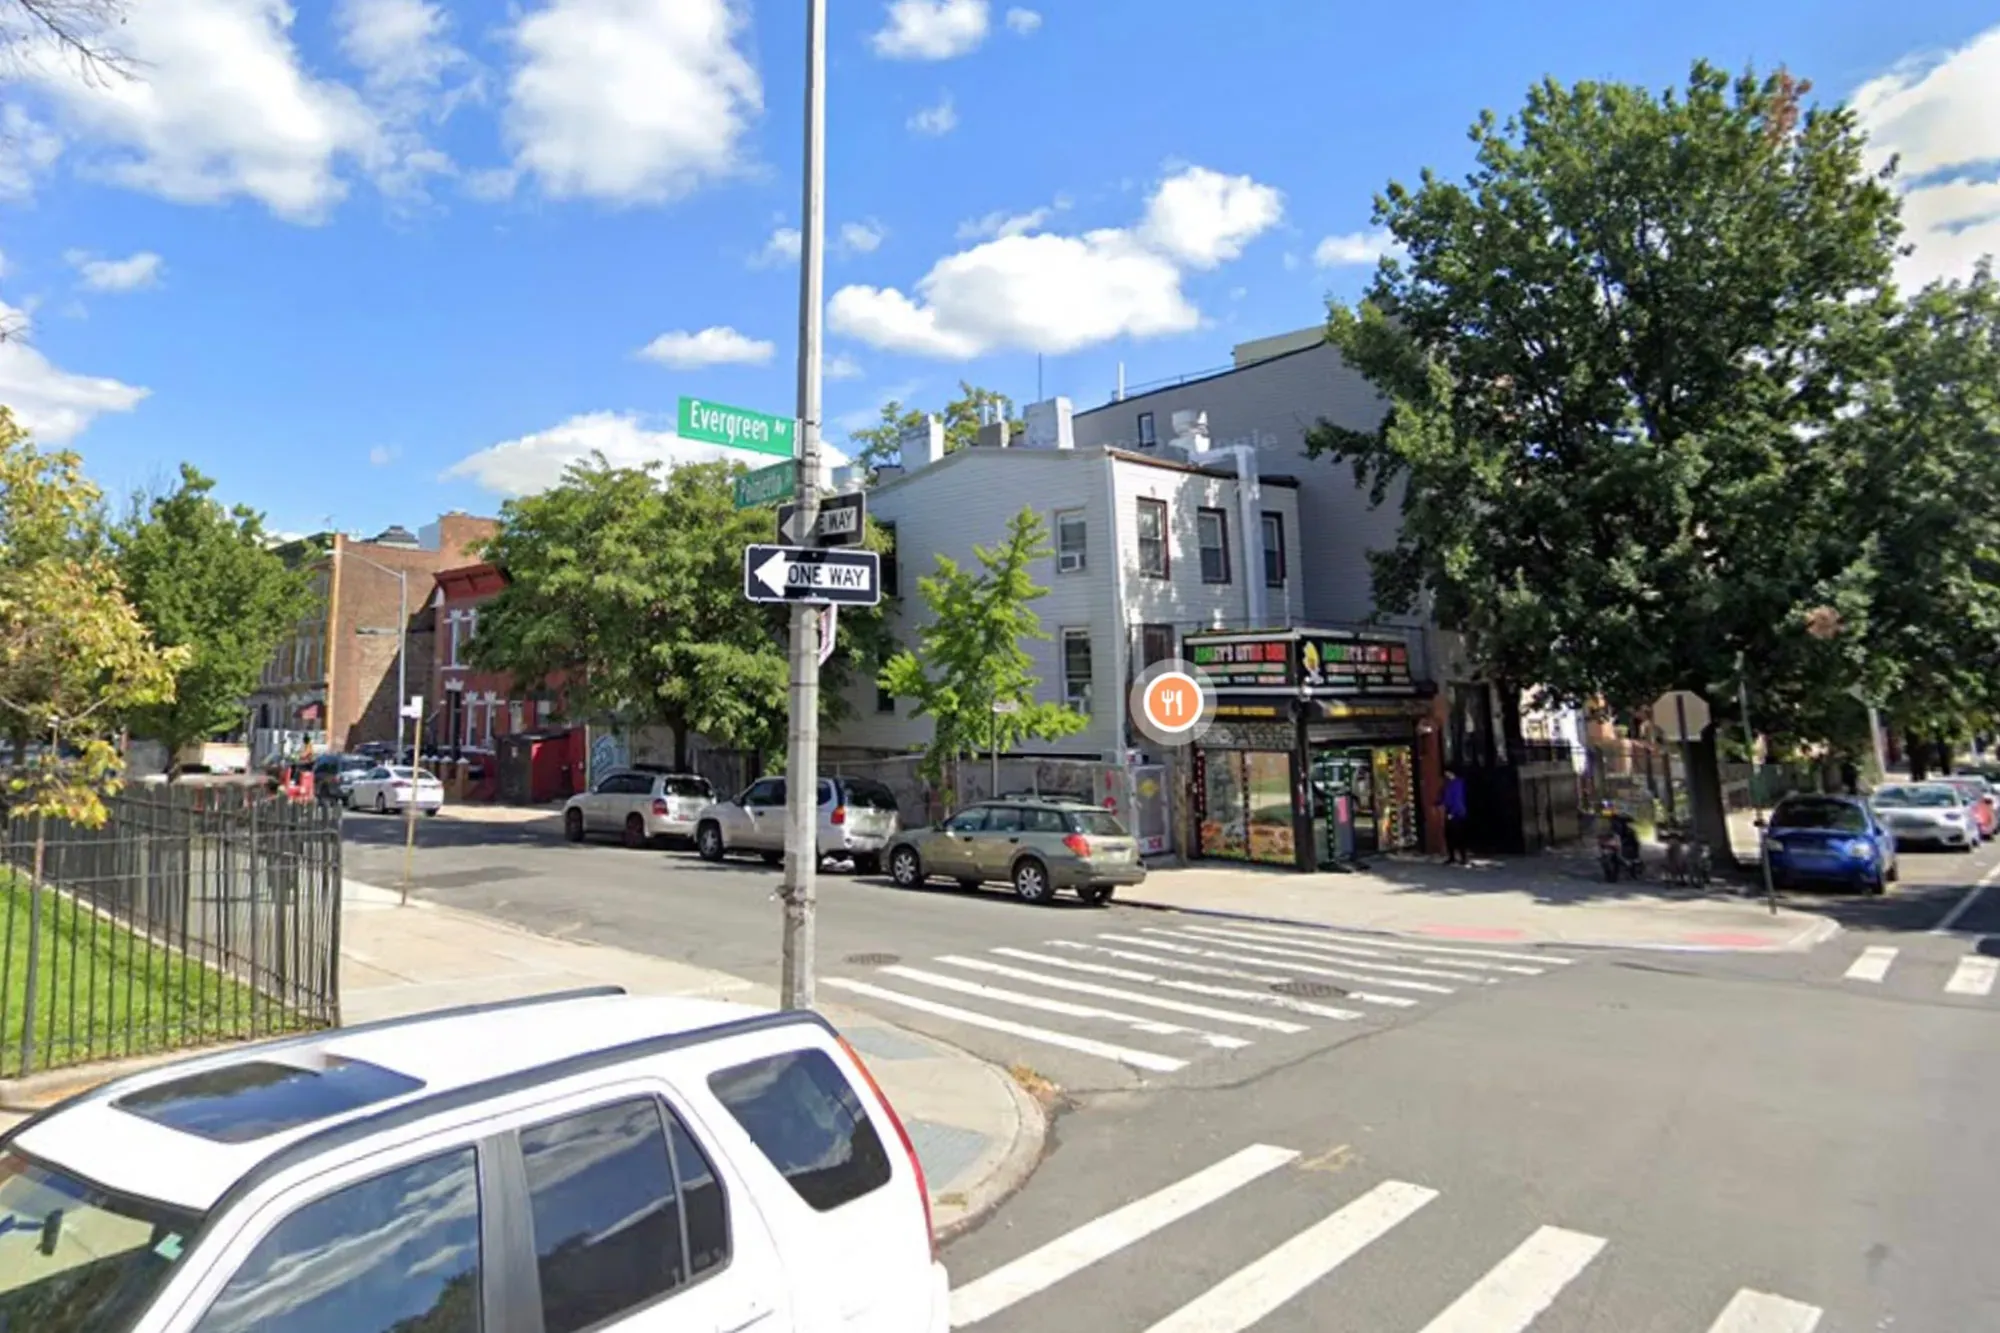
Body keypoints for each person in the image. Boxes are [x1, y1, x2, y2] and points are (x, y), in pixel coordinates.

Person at [1440, 769, 1470, 865]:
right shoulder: (1454, 783)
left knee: (1455, 835)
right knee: (1455, 835)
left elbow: (1454, 799)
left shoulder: (1454, 784)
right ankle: (1458, 856)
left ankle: (1458, 857)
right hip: (1457, 811)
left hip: (1456, 812)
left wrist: (1452, 812)